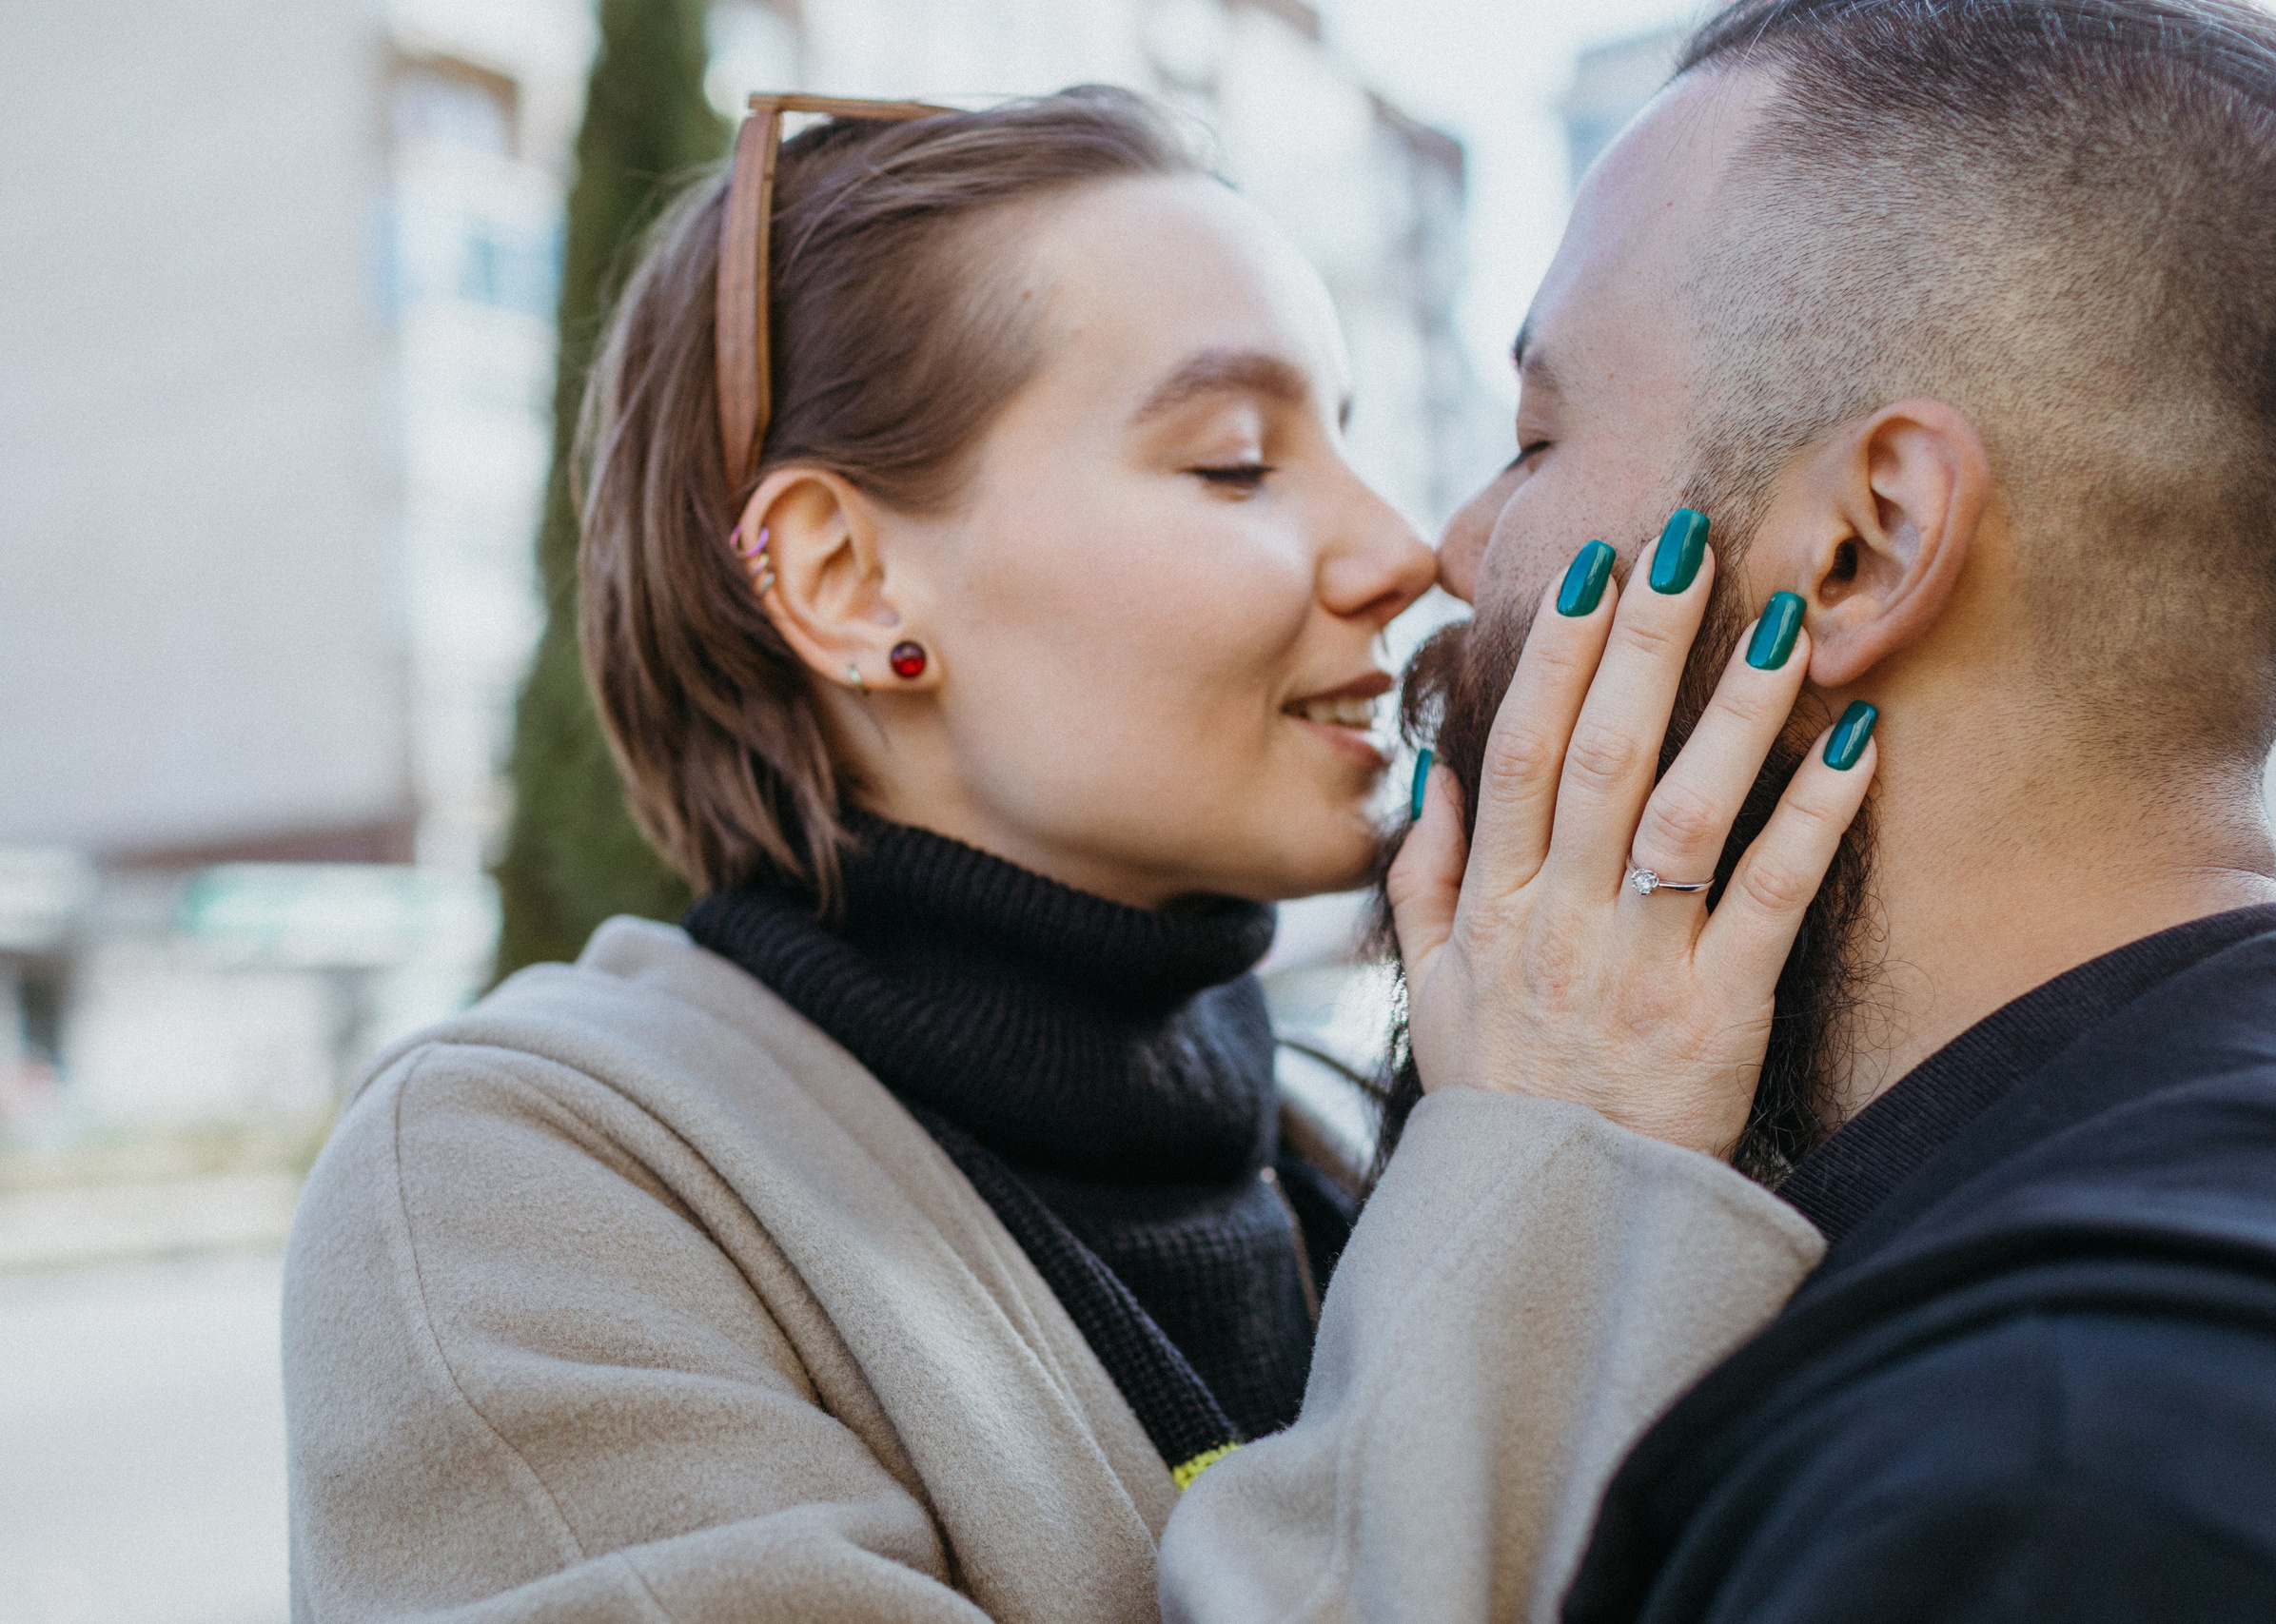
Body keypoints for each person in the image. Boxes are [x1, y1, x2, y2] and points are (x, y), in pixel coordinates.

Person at [281, 87, 1869, 1622]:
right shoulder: (524, 1180)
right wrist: (1548, 1178)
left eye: (1349, 441)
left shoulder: (1348, 1130)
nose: (1403, 550)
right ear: (844, 579)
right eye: (1236, 461)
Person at [1166, 0, 2276, 1618]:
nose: (1457, 551)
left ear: (1863, 547)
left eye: (1537, 438)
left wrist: (1511, 1187)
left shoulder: (2051, 1484)